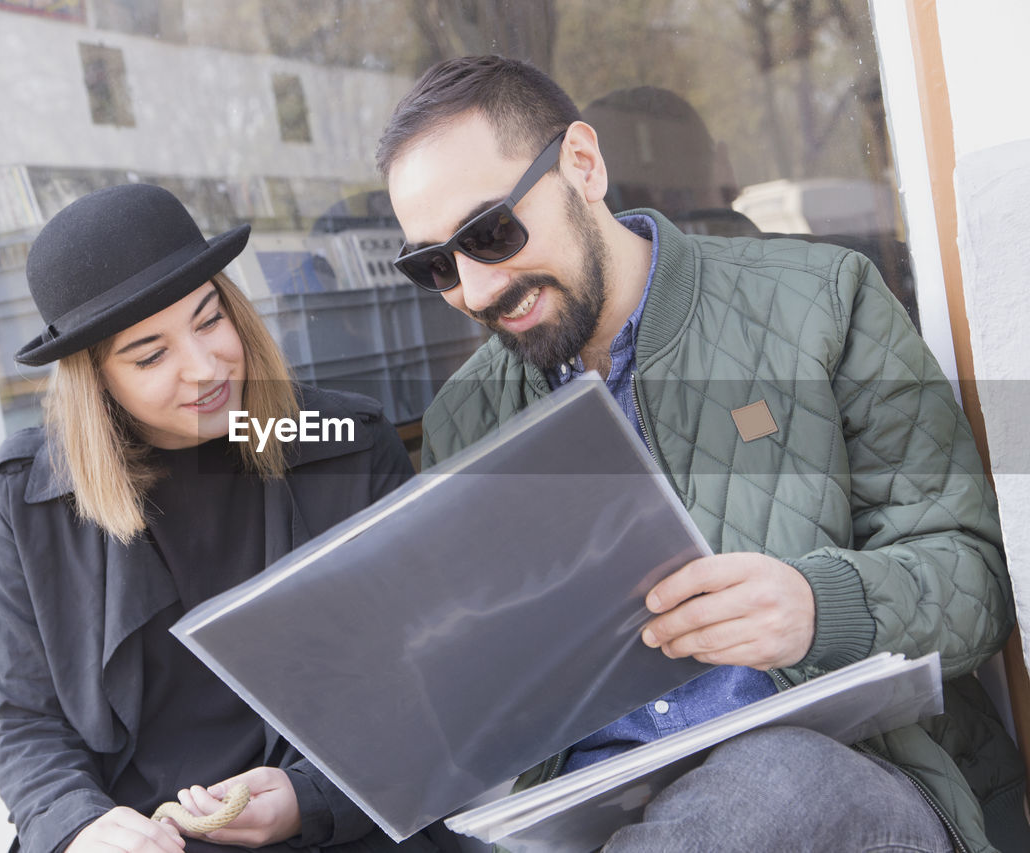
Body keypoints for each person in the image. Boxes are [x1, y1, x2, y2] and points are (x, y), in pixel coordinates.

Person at [377, 56, 1025, 852]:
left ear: (583, 163)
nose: (476, 291)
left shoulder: (821, 301)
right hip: (596, 813)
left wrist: (819, 609)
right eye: (436, 266)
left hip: (851, 776)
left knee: (768, 782)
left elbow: (980, 581)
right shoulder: (465, 418)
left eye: (491, 234)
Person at [0, 183, 454, 853]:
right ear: (97, 380)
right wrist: (78, 824)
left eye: (209, 320)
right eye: (150, 355)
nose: (204, 368)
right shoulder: (29, 497)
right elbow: (26, 720)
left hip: (337, 829)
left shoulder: (351, 442)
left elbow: (428, 681)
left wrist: (309, 798)